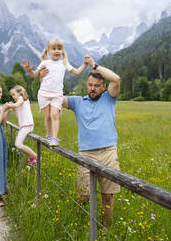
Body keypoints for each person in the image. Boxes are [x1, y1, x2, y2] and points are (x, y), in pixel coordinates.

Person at [62, 54, 121, 228]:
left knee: (107, 196)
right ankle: (82, 226)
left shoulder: (109, 99)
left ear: (103, 86)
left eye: (96, 85)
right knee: (84, 195)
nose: (93, 88)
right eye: (90, 85)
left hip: (108, 152)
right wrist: (47, 77)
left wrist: (94, 65)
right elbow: (56, 98)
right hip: (86, 154)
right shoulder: (77, 102)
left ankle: (104, 230)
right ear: (86, 85)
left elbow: (116, 79)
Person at [22, 37, 88, 146]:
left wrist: (85, 64)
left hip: (57, 95)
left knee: (55, 115)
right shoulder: (44, 63)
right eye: (54, 48)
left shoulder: (64, 63)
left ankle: (55, 139)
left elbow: (77, 72)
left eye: (59, 48)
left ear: (62, 51)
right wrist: (29, 70)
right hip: (44, 93)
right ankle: (48, 135)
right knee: (47, 116)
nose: (57, 51)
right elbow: (34, 75)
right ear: (48, 51)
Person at [8, 85, 39, 166]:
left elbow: (15, 105)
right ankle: (32, 157)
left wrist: (10, 105)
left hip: (27, 125)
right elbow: (18, 115)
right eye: (12, 95)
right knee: (19, 143)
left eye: (14, 94)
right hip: (24, 126)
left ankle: (36, 156)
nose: (13, 97)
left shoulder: (21, 99)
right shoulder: (19, 102)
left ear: (20, 93)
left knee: (18, 144)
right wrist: (14, 109)